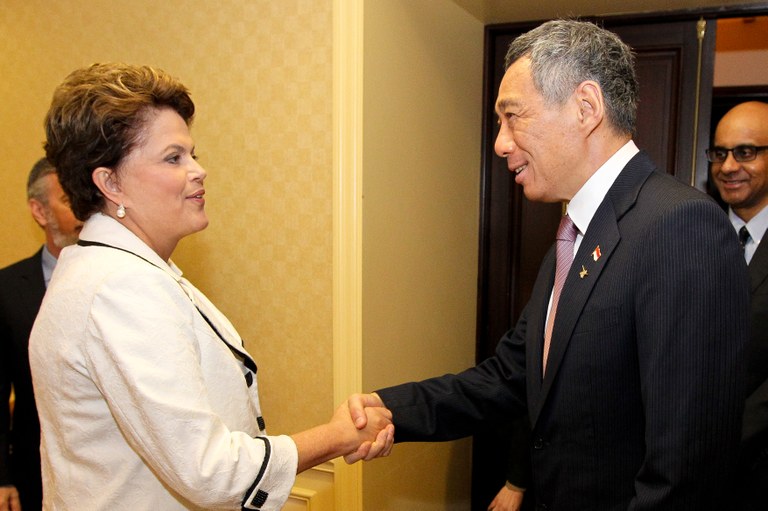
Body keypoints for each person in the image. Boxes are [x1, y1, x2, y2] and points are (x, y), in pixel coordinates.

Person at [347, 19, 750, 510]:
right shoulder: (575, 231)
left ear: (586, 108)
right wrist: (393, 409)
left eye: (512, 117)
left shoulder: (679, 226)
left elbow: (685, 469)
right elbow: (511, 375)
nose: (499, 142)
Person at [27, 62, 393, 511]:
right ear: (110, 182)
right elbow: (209, 470)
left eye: (192, 154)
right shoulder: (120, 289)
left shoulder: (120, 272)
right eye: (173, 158)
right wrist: (337, 436)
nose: (199, 171)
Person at [0, 157, 83, 511]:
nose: (84, 211)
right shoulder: (6, 290)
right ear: (40, 211)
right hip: (35, 476)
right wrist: (2, 476)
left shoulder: (129, 280)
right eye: (69, 200)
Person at [708, 100, 768, 510]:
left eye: (745, 152)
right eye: (720, 153)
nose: (729, 166)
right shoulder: (691, 234)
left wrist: (717, 443)